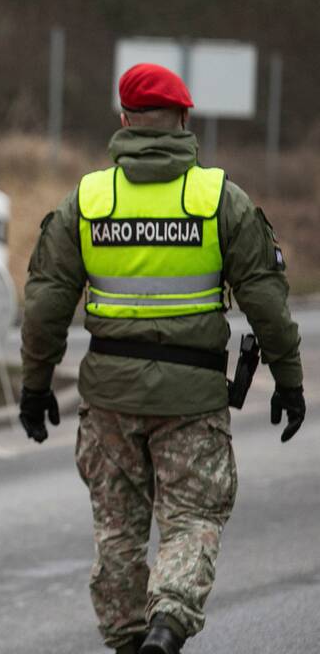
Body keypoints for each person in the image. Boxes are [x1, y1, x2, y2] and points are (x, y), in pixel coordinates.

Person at [19, 63, 306, 654]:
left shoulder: (88, 200)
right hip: (192, 401)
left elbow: (46, 303)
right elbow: (266, 303)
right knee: (192, 517)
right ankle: (168, 622)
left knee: (118, 532)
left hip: (108, 402)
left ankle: (127, 639)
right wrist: (288, 379)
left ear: (123, 120)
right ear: (184, 119)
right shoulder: (220, 200)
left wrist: (35, 384)